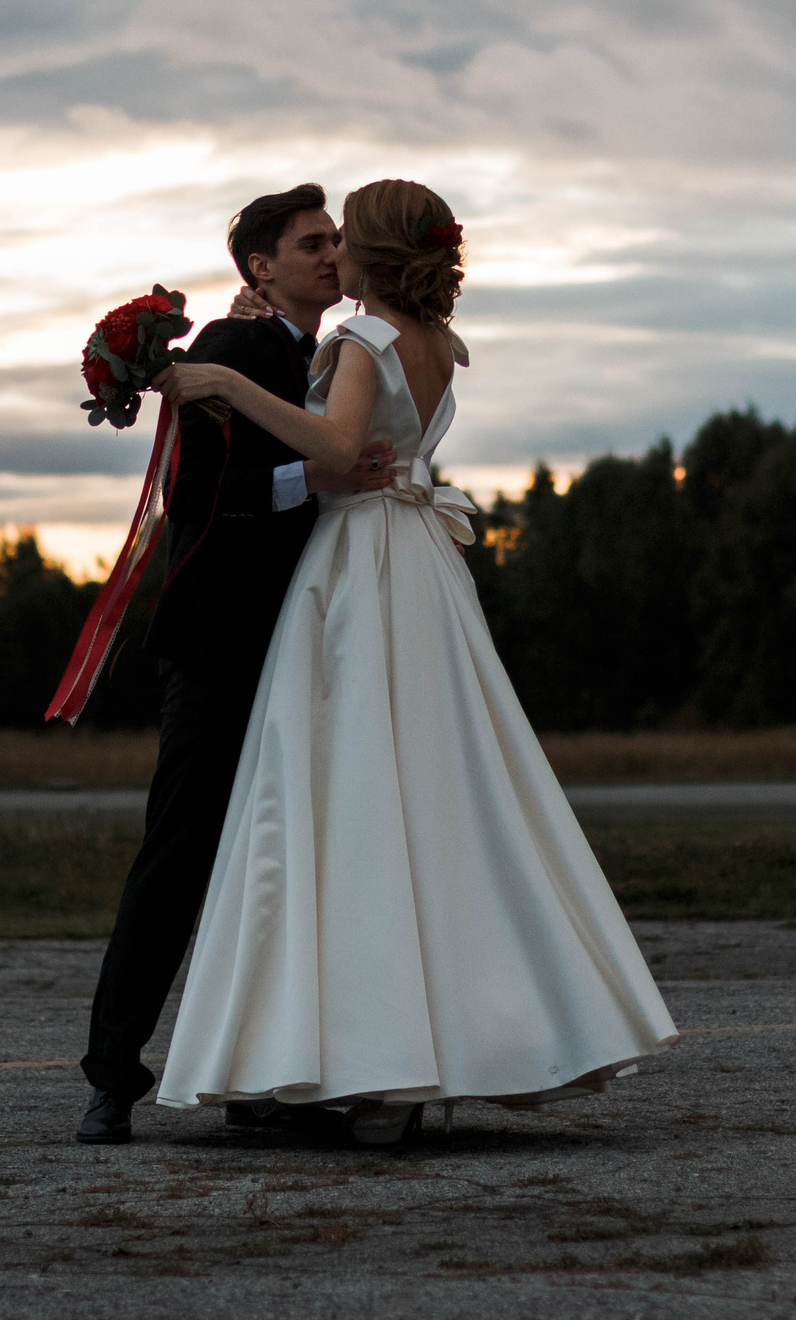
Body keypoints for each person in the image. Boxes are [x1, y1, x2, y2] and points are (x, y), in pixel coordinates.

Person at [150, 179, 676, 1145]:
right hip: (424, 569)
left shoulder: (364, 341)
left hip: (359, 568)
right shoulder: (436, 344)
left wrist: (226, 381)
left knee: (344, 795)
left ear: (372, 255)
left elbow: (341, 447)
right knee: (435, 790)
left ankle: (372, 1062)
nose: (333, 250)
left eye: (344, 237)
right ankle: (428, 1051)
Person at [76, 184, 397, 1145]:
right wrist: (320, 475)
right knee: (182, 850)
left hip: (314, 634)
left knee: (283, 852)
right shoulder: (232, 348)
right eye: (310, 243)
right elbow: (200, 487)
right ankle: (111, 1074)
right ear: (259, 267)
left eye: (337, 238)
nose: (331, 253)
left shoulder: (332, 355)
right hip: (222, 636)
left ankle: (268, 1071)